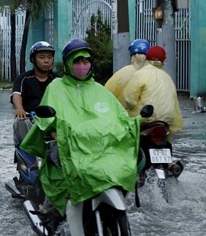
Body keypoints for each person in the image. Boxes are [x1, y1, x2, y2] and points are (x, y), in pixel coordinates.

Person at [20, 39, 140, 225]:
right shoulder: (56, 87)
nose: (82, 66)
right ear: (68, 64)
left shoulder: (100, 90)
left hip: (97, 147)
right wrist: (56, 134)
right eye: (77, 62)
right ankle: (50, 219)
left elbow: (119, 117)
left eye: (86, 61)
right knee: (59, 171)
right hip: (65, 145)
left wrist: (135, 123)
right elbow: (46, 120)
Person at [120, 45, 184, 136]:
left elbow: (129, 99)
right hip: (167, 120)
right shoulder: (167, 78)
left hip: (145, 119)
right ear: (163, 61)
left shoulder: (140, 74)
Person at [11, 41, 58, 148]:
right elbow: (16, 94)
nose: (46, 61)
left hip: (52, 121)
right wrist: (19, 108)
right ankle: (28, 161)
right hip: (30, 119)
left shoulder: (57, 80)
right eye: (42, 57)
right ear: (33, 59)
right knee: (20, 122)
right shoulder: (23, 79)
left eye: (49, 57)